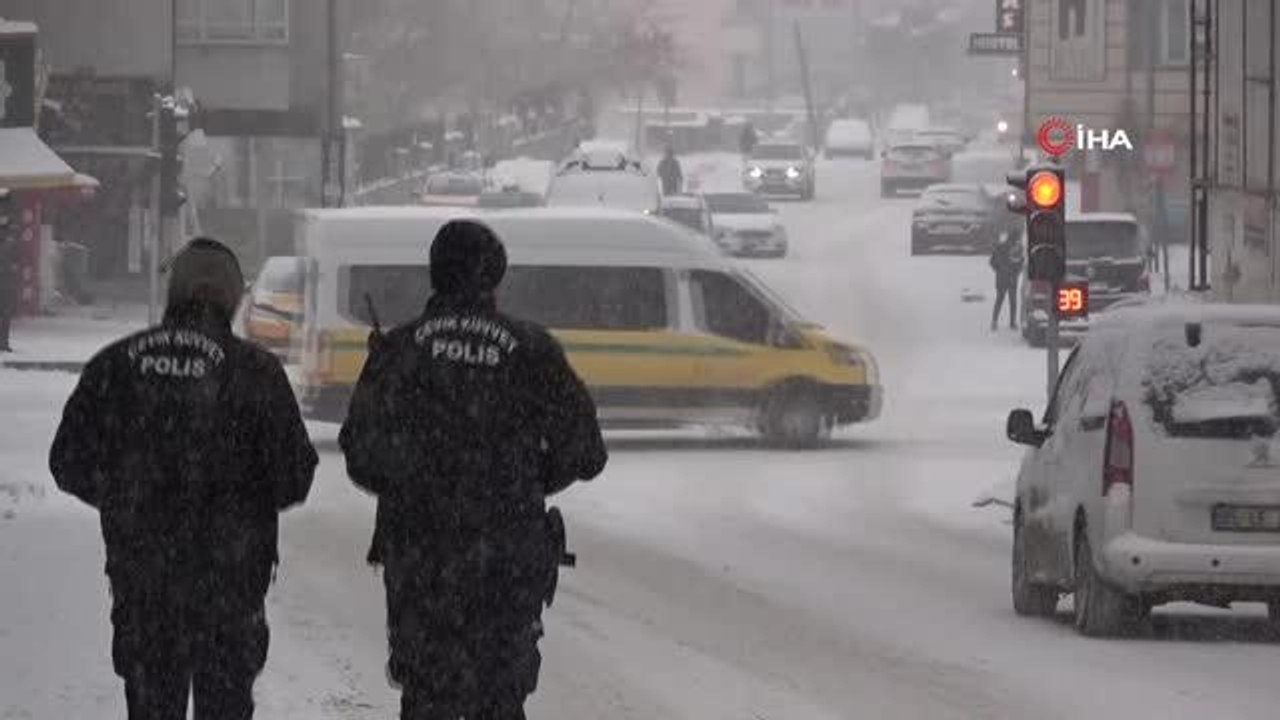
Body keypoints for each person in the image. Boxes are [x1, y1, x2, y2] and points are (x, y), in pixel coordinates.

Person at [340, 220, 607, 720]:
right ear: (495, 277)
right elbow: (587, 453)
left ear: (435, 273)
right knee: (500, 699)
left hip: (421, 561)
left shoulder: (401, 350)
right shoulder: (533, 349)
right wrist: (523, 481)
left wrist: (419, 482)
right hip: (507, 561)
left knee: (426, 698)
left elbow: (360, 453)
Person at [49, 238, 317, 720]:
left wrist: (128, 499)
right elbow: (295, 476)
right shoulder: (256, 373)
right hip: (232, 587)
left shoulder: (117, 364)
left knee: (152, 704)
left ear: (175, 291)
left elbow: (67, 461)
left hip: (144, 583)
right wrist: (239, 506)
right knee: (225, 705)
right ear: (233, 298)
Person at [990, 230, 1024, 331]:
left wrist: (999, 270)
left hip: (1001, 279)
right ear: (1015, 238)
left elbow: (992, 262)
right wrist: (1017, 272)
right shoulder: (1018, 249)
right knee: (1012, 302)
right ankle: (1012, 323)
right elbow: (1021, 263)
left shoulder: (1000, 247)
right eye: (1018, 238)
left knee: (999, 300)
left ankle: (994, 321)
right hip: (1012, 279)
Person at [0, 230, 15, 353]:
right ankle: (3, 342)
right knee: (5, 315)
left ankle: (4, 342)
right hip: (6, 285)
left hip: (6, 285)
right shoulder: (10, 246)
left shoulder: (10, 246)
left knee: (5, 315)